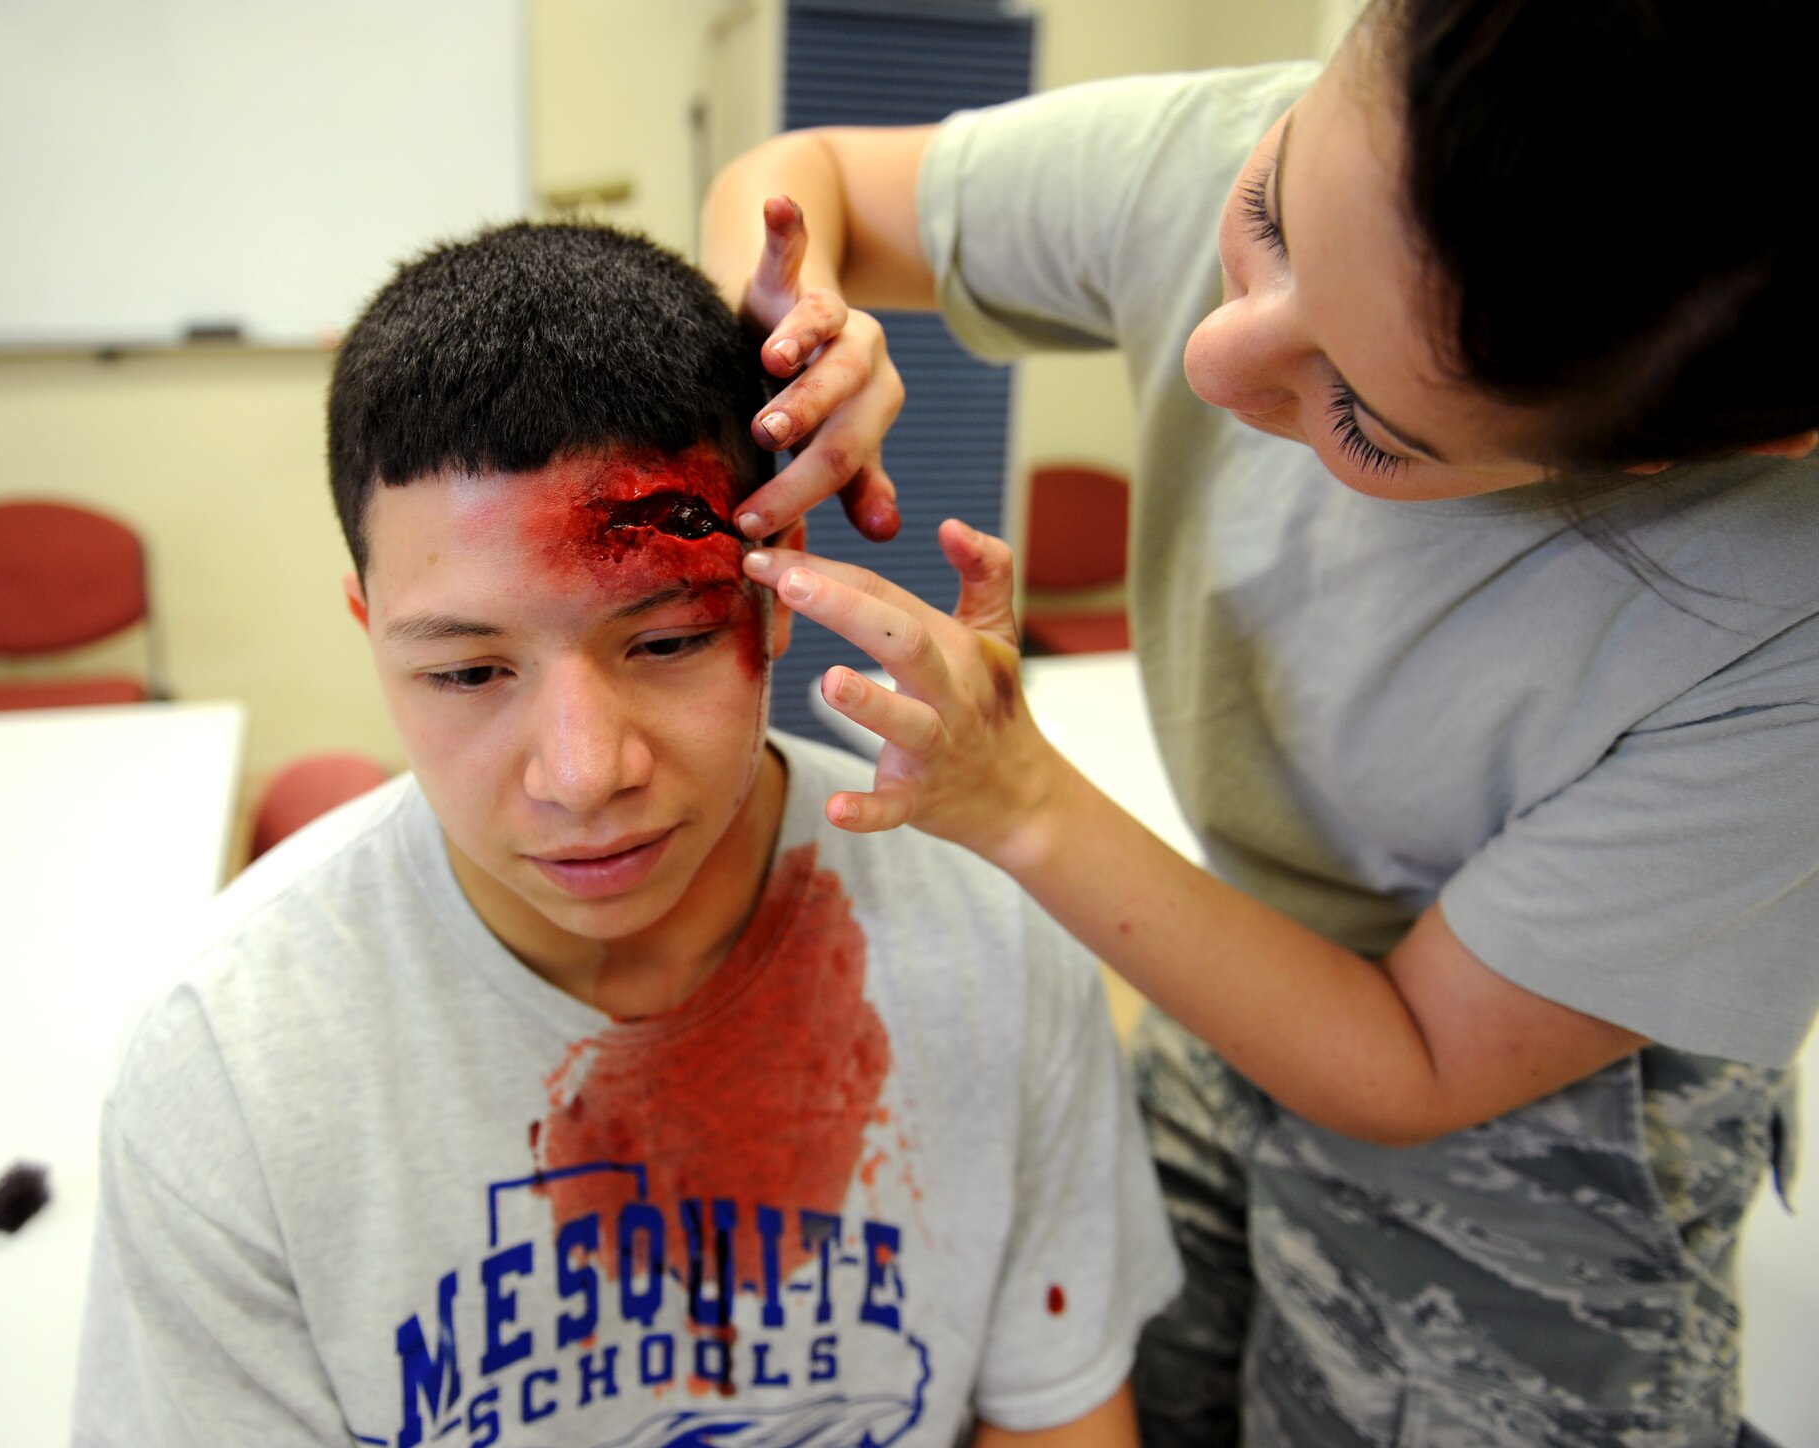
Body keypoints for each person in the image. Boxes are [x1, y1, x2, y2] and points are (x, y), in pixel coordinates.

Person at [698, 1, 1819, 1444]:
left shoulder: (1776, 623)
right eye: (1266, 217)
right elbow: (805, 180)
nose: (1216, 362)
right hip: (1235, 968)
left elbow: (1414, 1062)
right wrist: (793, 325)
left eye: (1365, 420)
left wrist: (1024, 801)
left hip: (1537, 1132)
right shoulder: (1229, 141)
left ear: (1674, 454)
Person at [70, 219, 1178, 1447]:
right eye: (469, 671)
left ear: (777, 585)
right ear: (369, 624)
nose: (584, 773)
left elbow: (1055, 1414)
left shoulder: (991, 939)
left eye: (664, 642)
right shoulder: (228, 1075)